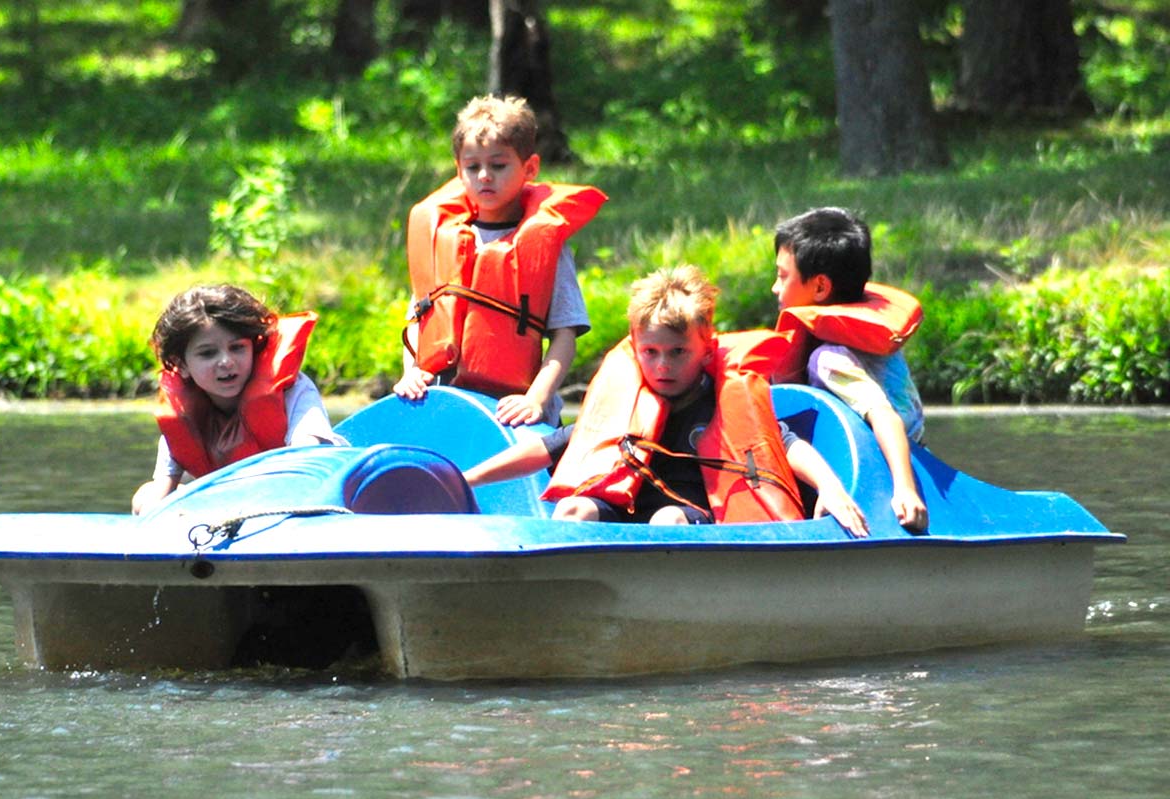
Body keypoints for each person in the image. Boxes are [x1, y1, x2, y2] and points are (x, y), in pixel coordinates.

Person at [467, 265, 868, 537]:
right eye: (651, 352)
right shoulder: (627, 404)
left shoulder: (721, 403)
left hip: (692, 520)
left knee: (667, 518)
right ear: (636, 348)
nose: (663, 366)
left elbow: (787, 445)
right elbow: (547, 448)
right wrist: (468, 478)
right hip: (625, 514)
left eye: (678, 352)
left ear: (706, 351)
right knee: (575, 509)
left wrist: (831, 488)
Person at [394, 94, 606, 427]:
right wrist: (412, 373)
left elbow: (565, 337)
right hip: (444, 401)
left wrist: (535, 399)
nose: (484, 176)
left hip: (516, 413)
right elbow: (419, 319)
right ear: (459, 170)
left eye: (498, 165)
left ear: (530, 168)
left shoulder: (547, 243)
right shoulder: (442, 239)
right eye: (473, 166)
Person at [770, 206, 928, 532]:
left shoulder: (830, 358)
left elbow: (884, 414)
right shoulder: (846, 336)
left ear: (820, 288)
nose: (774, 287)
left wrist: (905, 489)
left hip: (885, 465)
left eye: (783, 277)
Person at [130, 284, 347, 515]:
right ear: (181, 364)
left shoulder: (292, 389)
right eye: (208, 353)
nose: (226, 361)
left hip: (314, 489)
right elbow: (162, 492)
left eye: (237, 348)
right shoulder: (183, 412)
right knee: (143, 497)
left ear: (254, 347)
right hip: (235, 502)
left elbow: (306, 460)